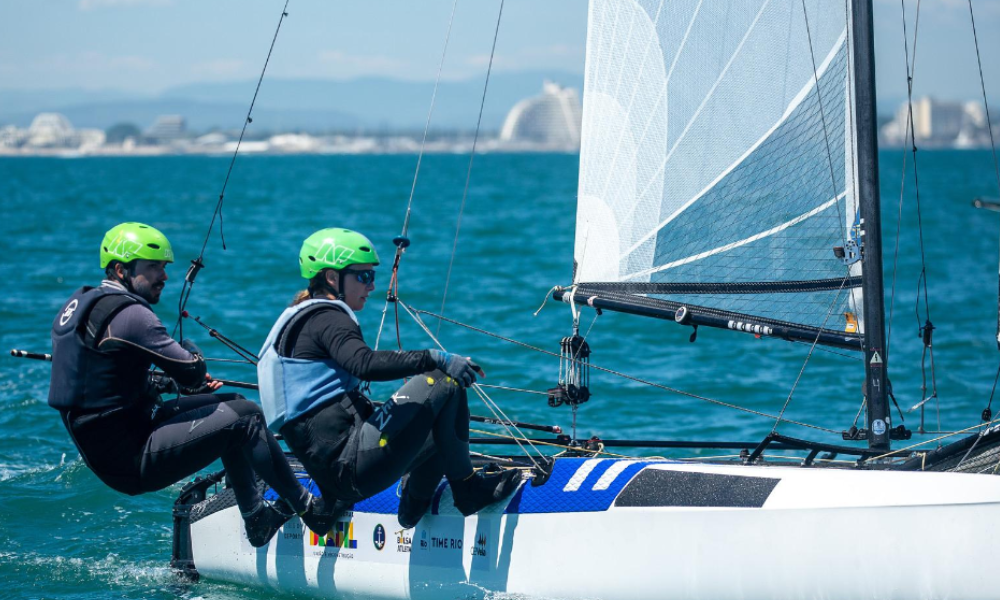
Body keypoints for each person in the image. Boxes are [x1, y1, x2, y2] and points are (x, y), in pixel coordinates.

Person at [48, 222, 332, 547]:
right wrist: (193, 357)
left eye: (165, 267)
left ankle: (256, 517)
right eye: (153, 267)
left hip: (117, 442)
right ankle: (311, 511)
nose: (164, 276)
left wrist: (158, 378)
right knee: (247, 419)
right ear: (119, 270)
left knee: (237, 403)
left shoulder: (83, 305)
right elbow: (192, 372)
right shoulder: (132, 316)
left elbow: (101, 377)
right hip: (132, 457)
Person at [258, 227, 522, 529]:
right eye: (364, 276)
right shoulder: (327, 318)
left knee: (435, 415)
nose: (371, 286)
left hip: (337, 473)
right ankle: (467, 490)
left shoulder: (299, 318)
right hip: (351, 467)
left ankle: (414, 505)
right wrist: (436, 358)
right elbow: (363, 364)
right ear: (332, 278)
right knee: (442, 380)